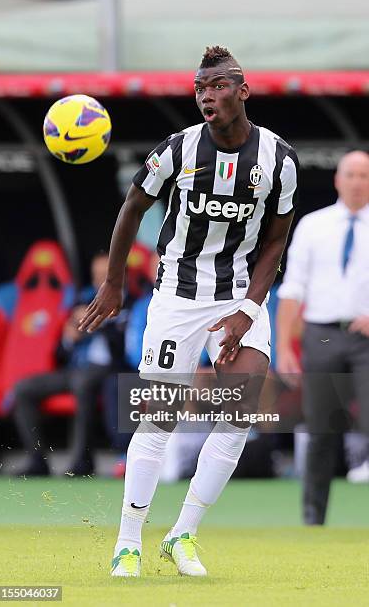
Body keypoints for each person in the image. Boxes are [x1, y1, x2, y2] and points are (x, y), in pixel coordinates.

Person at [79, 45, 299, 577]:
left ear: (242, 91)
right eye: (200, 88)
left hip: (239, 295)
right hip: (177, 297)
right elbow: (133, 207)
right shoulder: (176, 151)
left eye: (218, 86)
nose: (207, 96)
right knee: (159, 419)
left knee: (239, 414)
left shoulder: (278, 159)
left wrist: (249, 308)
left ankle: (183, 534)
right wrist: (113, 284)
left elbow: (276, 240)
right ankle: (128, 541)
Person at [276, 150, 369, 524]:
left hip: (365, 339)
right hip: (322, 336)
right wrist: (283, 345)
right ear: (338, 179)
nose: (357, 182)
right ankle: (314, 519)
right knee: (321, 430)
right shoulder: (313, 226)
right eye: (351, 174)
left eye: (364, 175)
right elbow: (292, 289)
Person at [13, 303, 116, 476]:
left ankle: (81, 462)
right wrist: (70, 337)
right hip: (73, 370)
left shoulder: (123, 300)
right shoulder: (83, 298)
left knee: (82, 384)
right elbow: (59, 354)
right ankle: (37, 460)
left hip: (105, 370)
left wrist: (99, 324)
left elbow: (123, 344)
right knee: (23, 389)